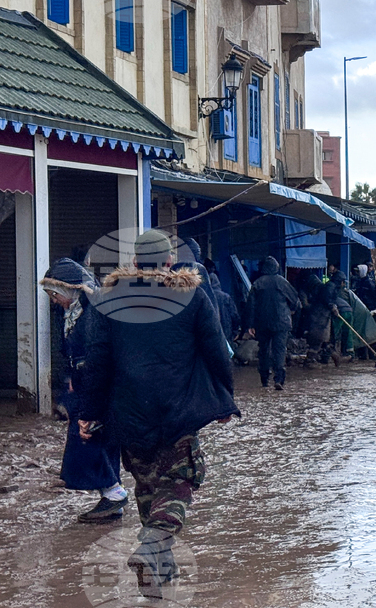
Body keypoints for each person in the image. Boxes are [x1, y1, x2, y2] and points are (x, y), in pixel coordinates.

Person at [79, 230, 238, 595]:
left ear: (135, 262)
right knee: (180, 483)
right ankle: (151, 550)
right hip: (179, 412)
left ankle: (155, 586)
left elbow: (96, 363)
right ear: (169, 262)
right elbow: (217, 351)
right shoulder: (192, 296)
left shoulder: (106, 299)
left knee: (148, 490)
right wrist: (224, 400)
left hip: (129, 416)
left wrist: (88, 413)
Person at [41, 258, 128, 523]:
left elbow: (97, 358)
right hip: (86, 385)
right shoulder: (75, 312)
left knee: (87, 438)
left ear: (69, 289)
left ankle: (114, 492)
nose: (54, 300)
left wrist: (88, 395)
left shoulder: (92, 314)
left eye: (55, 294)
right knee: (94, 439)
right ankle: (112, 496)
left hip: (96, 387)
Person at [246, 256, 301, 390]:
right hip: (281, 322)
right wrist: (292, 311)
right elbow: (295, 300)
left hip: (262, 323)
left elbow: (250, 306)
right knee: (279, 350)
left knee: (264, 350)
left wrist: (250, 325)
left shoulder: (257, 284)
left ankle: (264, 379)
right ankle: (279, 379)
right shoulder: (282, 282)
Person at [301, 273, 339, 367]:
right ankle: (333, 355)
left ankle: (310, 360)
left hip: (318, 321)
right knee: (324, 341)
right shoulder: (325, 289)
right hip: (324, 320)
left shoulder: (319, 293)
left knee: (316, 342)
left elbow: (307, 306)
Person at [209, 273, 240, 342]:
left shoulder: (204, 297)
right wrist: (235, 331)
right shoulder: (226, 297)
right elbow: (234, 315)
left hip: (210, 334)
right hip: (226, 331)